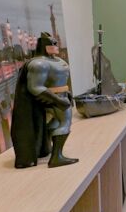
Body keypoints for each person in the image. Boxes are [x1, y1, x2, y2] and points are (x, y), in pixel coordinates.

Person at [11, 32, 78, 168]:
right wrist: (58, 100)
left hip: (61, 95)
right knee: (64, 123)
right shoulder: (39, 64)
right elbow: (35, 87)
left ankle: (47, 148)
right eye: (52, 43)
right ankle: (57, 157)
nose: (56, 45)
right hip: (54, 99)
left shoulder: (54, 61)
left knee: (54, 123)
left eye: (55, 43)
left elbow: (58, 81)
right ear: (44, 46)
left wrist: (66, 93)